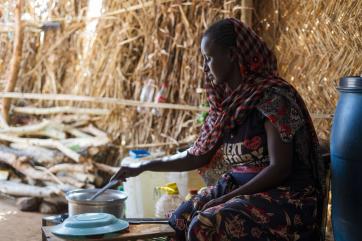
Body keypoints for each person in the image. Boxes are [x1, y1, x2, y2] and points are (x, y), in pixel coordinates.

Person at [112, 18, 325, 241]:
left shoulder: (272, 98)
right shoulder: (228, 106)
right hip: (242, 190)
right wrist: (143, 166)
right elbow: (196, 157)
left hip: (287, 198)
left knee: (204, 226)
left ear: (232, 55)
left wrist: (228, 197)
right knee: (180, 218)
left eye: (209, 58)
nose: (205, 67)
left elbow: (279, 168)